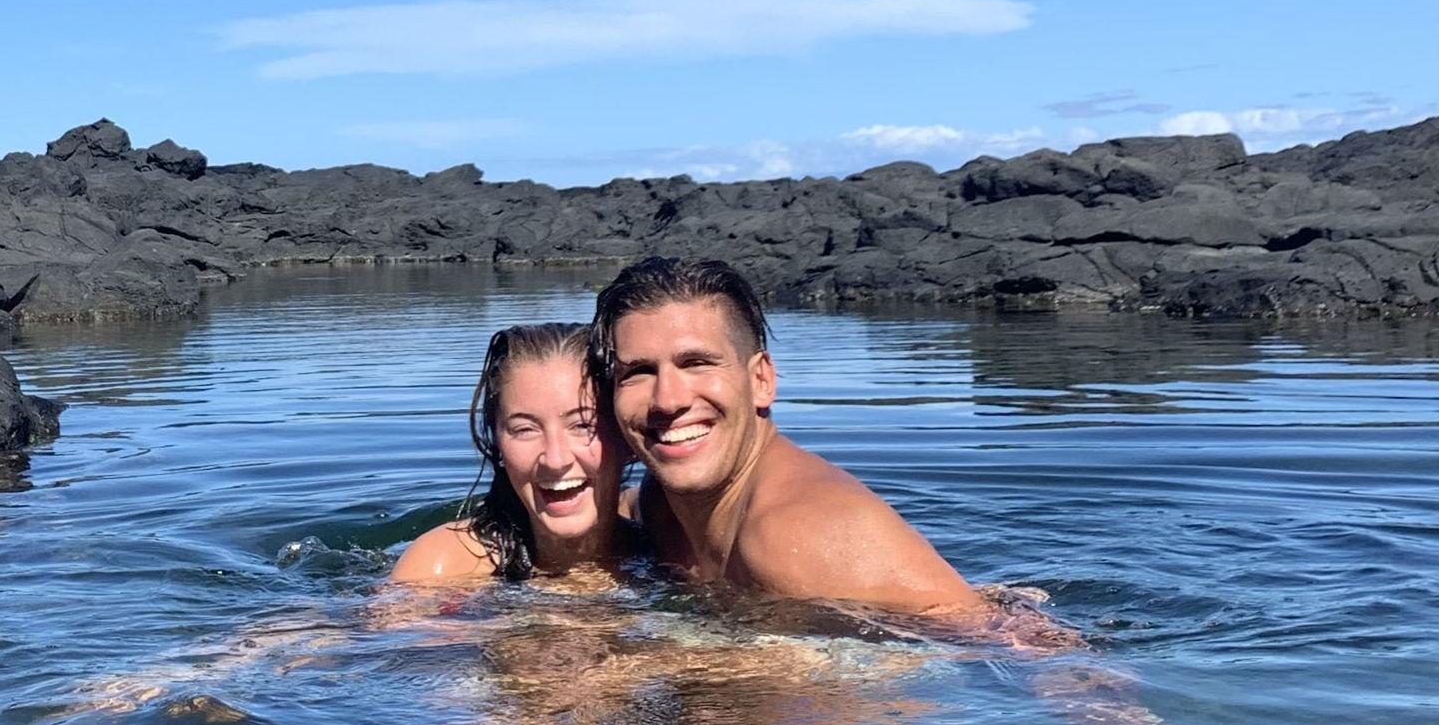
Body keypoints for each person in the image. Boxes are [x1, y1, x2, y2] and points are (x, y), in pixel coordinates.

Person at [589, 256, 995, 630]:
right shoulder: (658, 503)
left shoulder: (794, 536)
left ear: (761, 381)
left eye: (696, 363)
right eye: (638, 372)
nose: (669, 399)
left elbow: (1004, 641)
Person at [390, 321, 636, 587]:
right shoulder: (444, 568)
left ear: (627, 436)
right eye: (524, 429)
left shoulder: (669, 550)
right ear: (497, 445)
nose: (555, 460)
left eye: (582, 426)